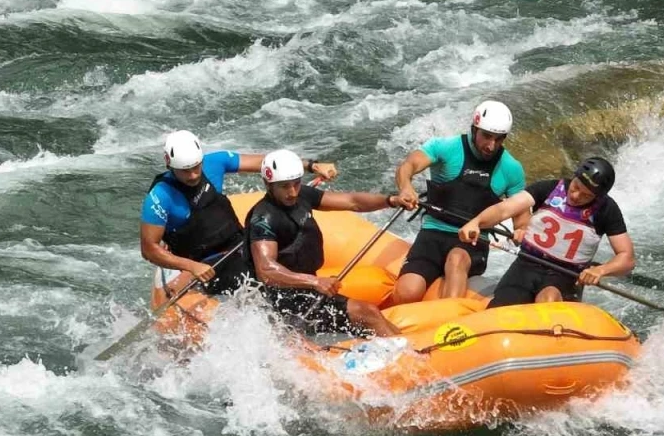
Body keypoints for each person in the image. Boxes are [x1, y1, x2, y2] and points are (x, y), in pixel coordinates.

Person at [139, 130, 337, 295]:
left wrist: (312, 165)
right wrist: (192, 267)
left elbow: (267, 163)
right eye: (185, 170)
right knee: (260, 283)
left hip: (240, 244)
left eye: (196, 167)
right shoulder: (159, 198)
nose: (193, 175)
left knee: (289, 258)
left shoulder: (214, 162)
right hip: (207, 263)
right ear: (169, 164)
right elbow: (149, 250)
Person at [246, 150, 413, 337]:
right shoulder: (263, 218)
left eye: (296, 183)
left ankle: (408, 348)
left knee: (370, 312)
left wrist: (391, 200)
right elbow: (266, 270)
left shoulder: (301, 195)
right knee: (367, 313)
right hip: (281, 299)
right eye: (284, 186)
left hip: (305, 289)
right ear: (268, 184)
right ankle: (406, 353)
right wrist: (315, 282)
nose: (292, 192)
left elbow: (352, 202)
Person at [389, 100, 528, 304]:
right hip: (432, 233)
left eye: (498, 139)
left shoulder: (511, 168)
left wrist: (522, 230)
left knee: (456, 259)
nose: (491, 146)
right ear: (474, 129)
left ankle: (447, 315)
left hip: (473, 242)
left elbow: (522, 216)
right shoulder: (445, 147)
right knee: (407, 292)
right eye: (486, 136)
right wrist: (406, 188)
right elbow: (407, 166)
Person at [457, 156, 635, 308]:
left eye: (586, 195)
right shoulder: (549, 188)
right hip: (527, 264)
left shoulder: (607, 210)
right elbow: (505, 209)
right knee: (502, 308)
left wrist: (601, 270)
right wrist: (477, 222)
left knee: (548, 298)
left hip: (566, 275)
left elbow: (627, 258)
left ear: (598, 196)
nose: (575, 196)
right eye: (576, 187)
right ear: (574, 176)